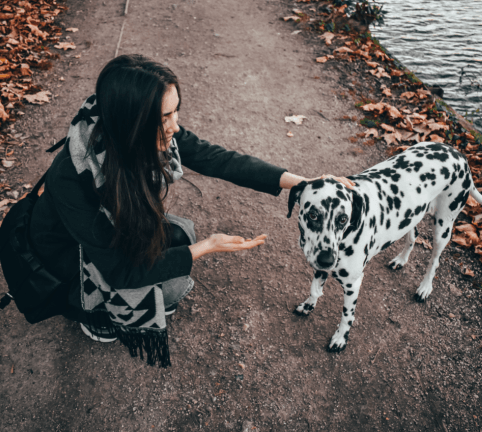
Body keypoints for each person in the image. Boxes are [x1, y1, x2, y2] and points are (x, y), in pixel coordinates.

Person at [29, 54, 354, 367]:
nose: (175, 127)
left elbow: (217, 158)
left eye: (176, 112)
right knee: (168, 279)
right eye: (164, 119)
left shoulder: (134, 132)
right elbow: (119, 270)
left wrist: (303, 183)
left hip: (109, 232)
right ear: (132, 120)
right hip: (69, 258)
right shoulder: (73, 177)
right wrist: (206, 247)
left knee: (176, 241)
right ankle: (93, 313)